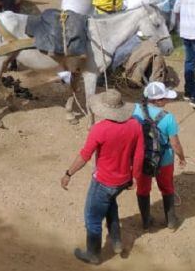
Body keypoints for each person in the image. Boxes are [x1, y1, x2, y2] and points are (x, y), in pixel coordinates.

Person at [60, 90, 144, 265]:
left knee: (92, 217)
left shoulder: (99, 129)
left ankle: (93, 254)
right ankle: (116, 240)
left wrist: (69, 173)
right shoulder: (135, 125)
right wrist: (135, 177)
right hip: (123, 179)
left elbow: (85, 156)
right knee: (110, 204)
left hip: (103, 182)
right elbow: (139, 155)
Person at [133, 82, 186, 231]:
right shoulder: (168, 118)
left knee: (143, 189)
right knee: (167, 188)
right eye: (165, 98)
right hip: (164, 160)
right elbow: (175, 144)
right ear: (158, 101)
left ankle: (145, 221)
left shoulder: (135, 110)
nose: (167, 101)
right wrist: (182, 157)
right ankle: (171, 221)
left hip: (142, 158)